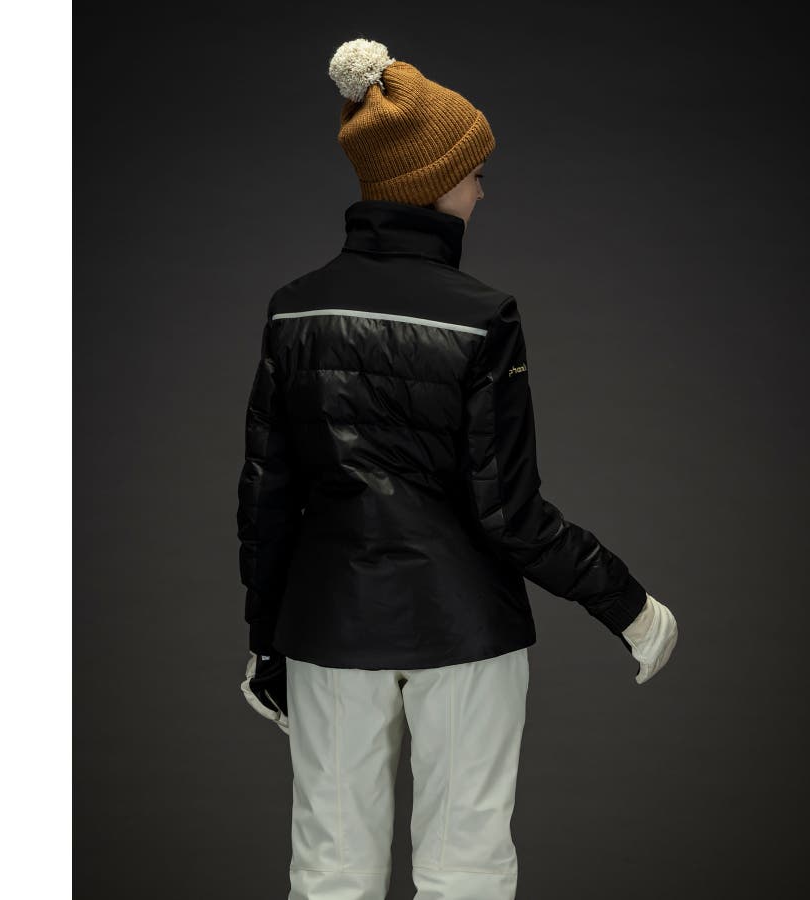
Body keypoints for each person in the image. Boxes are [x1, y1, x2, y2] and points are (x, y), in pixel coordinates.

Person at [236, 37, 679, 900]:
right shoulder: (483, 317)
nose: (482, 191)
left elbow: (267, 498)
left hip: (328, 627)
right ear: (433, 183)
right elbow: (508, 511)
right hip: (466, 630)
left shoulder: (293, 310)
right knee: (465, 871)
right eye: (474, 173)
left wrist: (265, 640)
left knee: (330, 874)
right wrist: (629, 605)